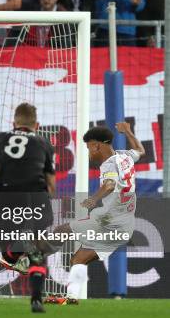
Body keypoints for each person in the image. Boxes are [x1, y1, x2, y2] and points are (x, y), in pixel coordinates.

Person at [0, 103, 55, 313]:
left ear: (13, 123)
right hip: (34, 195)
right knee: (37, 250)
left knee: (7, 256)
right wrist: (48, 199)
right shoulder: (43, 143)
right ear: (37, 125)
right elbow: (51, 184)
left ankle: (16, 251)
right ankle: (36, 298)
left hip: (5, 196)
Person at [47, 123, 144, 303]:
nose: (89, 152)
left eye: (89, 147)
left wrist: (94, 198)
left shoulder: (108, 164)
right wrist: (128, 131)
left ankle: (27, 259)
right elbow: (140, 150)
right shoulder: (125, 156)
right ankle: (72, 298)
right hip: (122, 224)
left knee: (63, 234)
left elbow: (109, 184)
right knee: (79, 257)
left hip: (110, 223)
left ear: (97, 145)